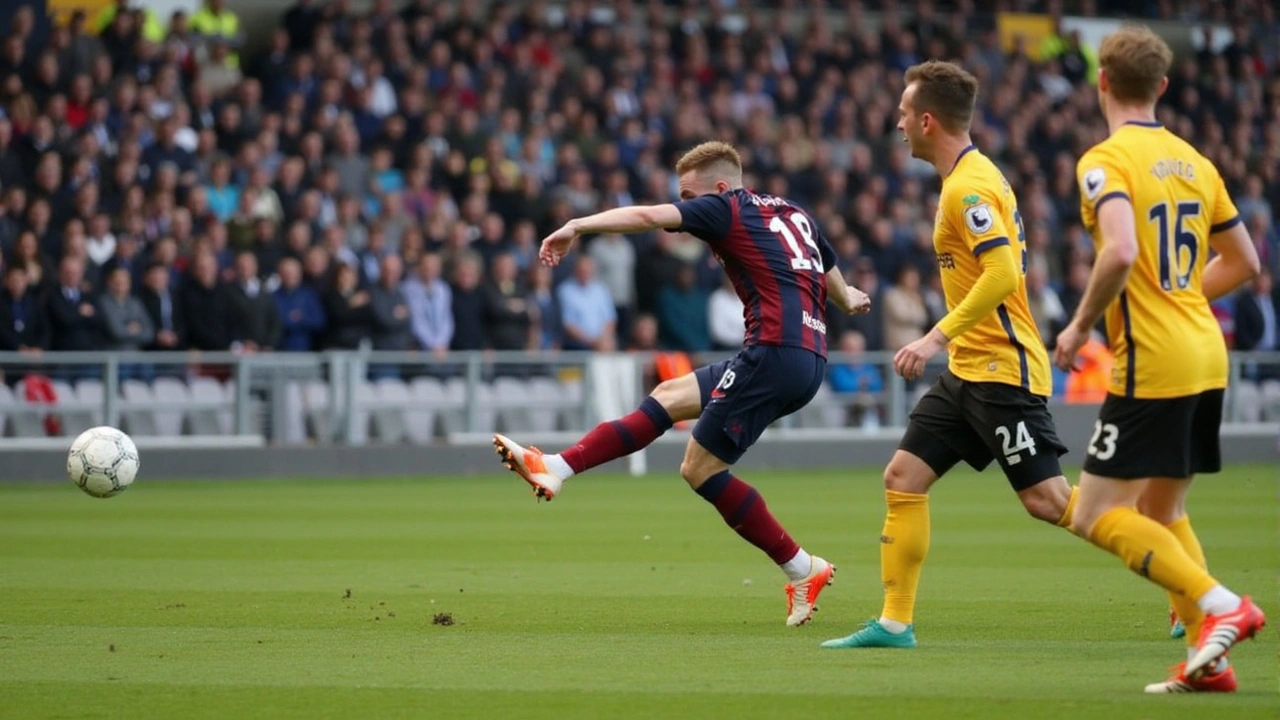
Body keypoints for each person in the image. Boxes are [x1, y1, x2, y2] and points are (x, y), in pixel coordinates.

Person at [493, 141, 871, 627]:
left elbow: (650, 217)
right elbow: (834, 282)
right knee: (668, 397)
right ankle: (556, 467)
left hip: (774, 353)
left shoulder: (726, 207)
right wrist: (851, 298)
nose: (685, 209)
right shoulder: (793, 212)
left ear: (718, 188)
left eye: (689, 197)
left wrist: (576, 226)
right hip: (806, 356)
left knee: (698, 469)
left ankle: (802, 567)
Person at [822, 61, 1076, 651]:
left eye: (906, 114)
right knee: (903, 477)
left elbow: (1004, 271)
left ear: (928, 119)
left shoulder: (968, 186)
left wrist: (934, 336)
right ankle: (893, 623)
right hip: (969, 369)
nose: (899, 124)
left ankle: (1175, 577)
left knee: (1047, 500)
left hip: (1001, 371)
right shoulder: (969, 177)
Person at [1051, 26, 1264, 693]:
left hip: (1156, 359)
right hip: (1206, 351)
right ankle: (1213, 661)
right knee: (1162, 514)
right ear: (1163, 87)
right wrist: (1177, 296)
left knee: (1092, 513)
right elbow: (1247, 262)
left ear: (1102, 82)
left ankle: (1225, 606)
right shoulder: (1195, 161)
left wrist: (1080, 325)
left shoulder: (1105, 161)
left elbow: (1118, 251)